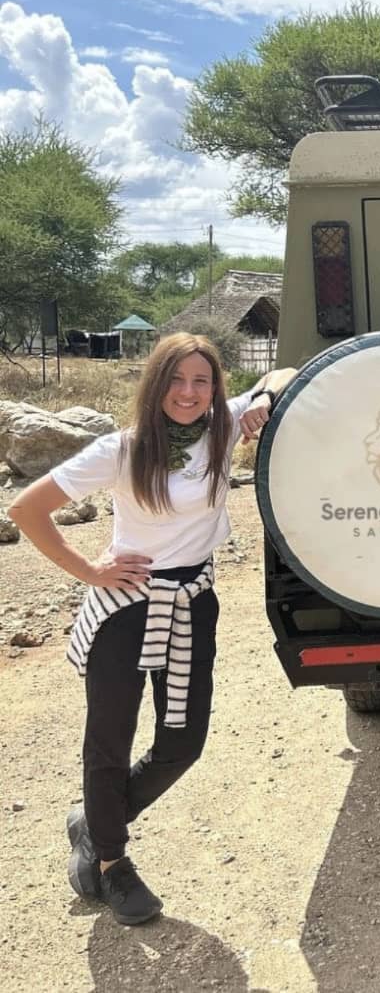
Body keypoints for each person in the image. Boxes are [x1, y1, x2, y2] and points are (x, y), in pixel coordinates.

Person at [9, 333, 296, 925]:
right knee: (109, 742)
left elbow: (286, 370)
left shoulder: (223, 425)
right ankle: (112, 863)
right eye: (176, 380)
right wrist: (90, 568)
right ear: (156, 383)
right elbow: (26, 510)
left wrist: (266, 394)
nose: (188, 393)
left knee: (182, 743)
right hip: (128, 606)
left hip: (193, 602)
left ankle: (94, 822)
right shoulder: (123, 448)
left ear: (215, 387)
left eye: (202, 381)